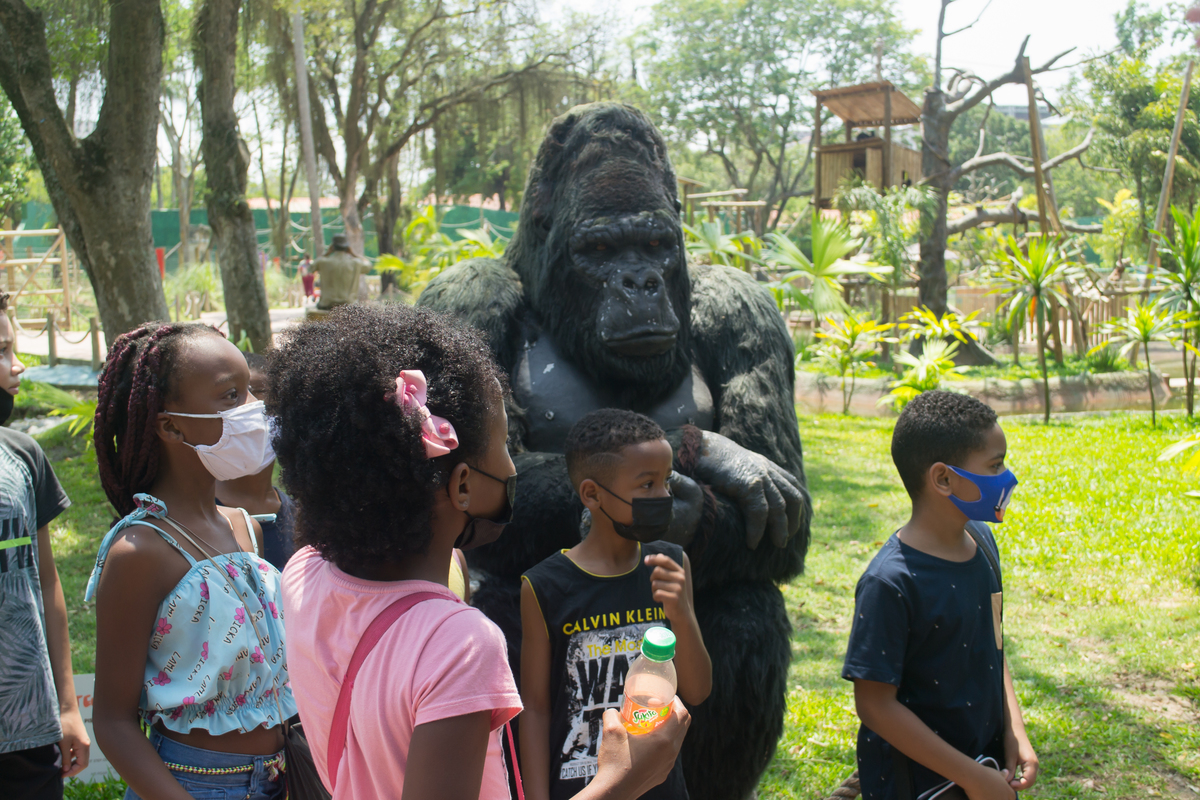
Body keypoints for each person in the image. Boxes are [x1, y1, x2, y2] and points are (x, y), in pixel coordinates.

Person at [273, 304, 691, 800]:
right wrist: (625, 778)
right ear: (464, 486)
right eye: (505, 444)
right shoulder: (459, 646)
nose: (513, 466)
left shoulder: (303, 570)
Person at [87, 322, 297, 800]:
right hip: (191, 784)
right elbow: (114, 722)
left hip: (280, 778)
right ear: (170, 425)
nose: (254, 411)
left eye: (251, 392)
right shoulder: (139, 552)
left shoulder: (248, 529)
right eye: (230, 396)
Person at [843, 390, 1037, 800]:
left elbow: (993, 643)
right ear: (944, 478)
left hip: (982, 770)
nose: (1008, 478)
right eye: (995, 465)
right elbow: (875, 706)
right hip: (918, 785)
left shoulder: (982, 542)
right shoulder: (889, 582)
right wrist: (970, 776)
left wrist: (1014, 729)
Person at [520, 409, 712, 800]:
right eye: (646, 485)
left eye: (666, 482)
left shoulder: (672, 565)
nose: (663, 496)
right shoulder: (543, 586)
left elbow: (697, 690)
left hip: (659, 786)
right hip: (579, 789)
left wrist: (682, 614)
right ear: (591, 494)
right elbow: (536, 709)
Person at [0, 292, 90, 800]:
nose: (17, 366)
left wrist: (67, 704)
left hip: (27, 730)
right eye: (1, 351)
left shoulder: (22, 456)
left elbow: (47, 583)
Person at [216, 352, 296, 569]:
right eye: (233, 396)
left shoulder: (302, 518)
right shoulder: (200, 519)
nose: (251, 406)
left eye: (261, 392)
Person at [311, 234, 368, 311]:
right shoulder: (355, 263)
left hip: (327, 305)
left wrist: (327, 253)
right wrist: (354, 254)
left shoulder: (323, 262)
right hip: (349, 305)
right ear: (347, 248)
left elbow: (311, 268)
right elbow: (368, 265)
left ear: (332, 247)